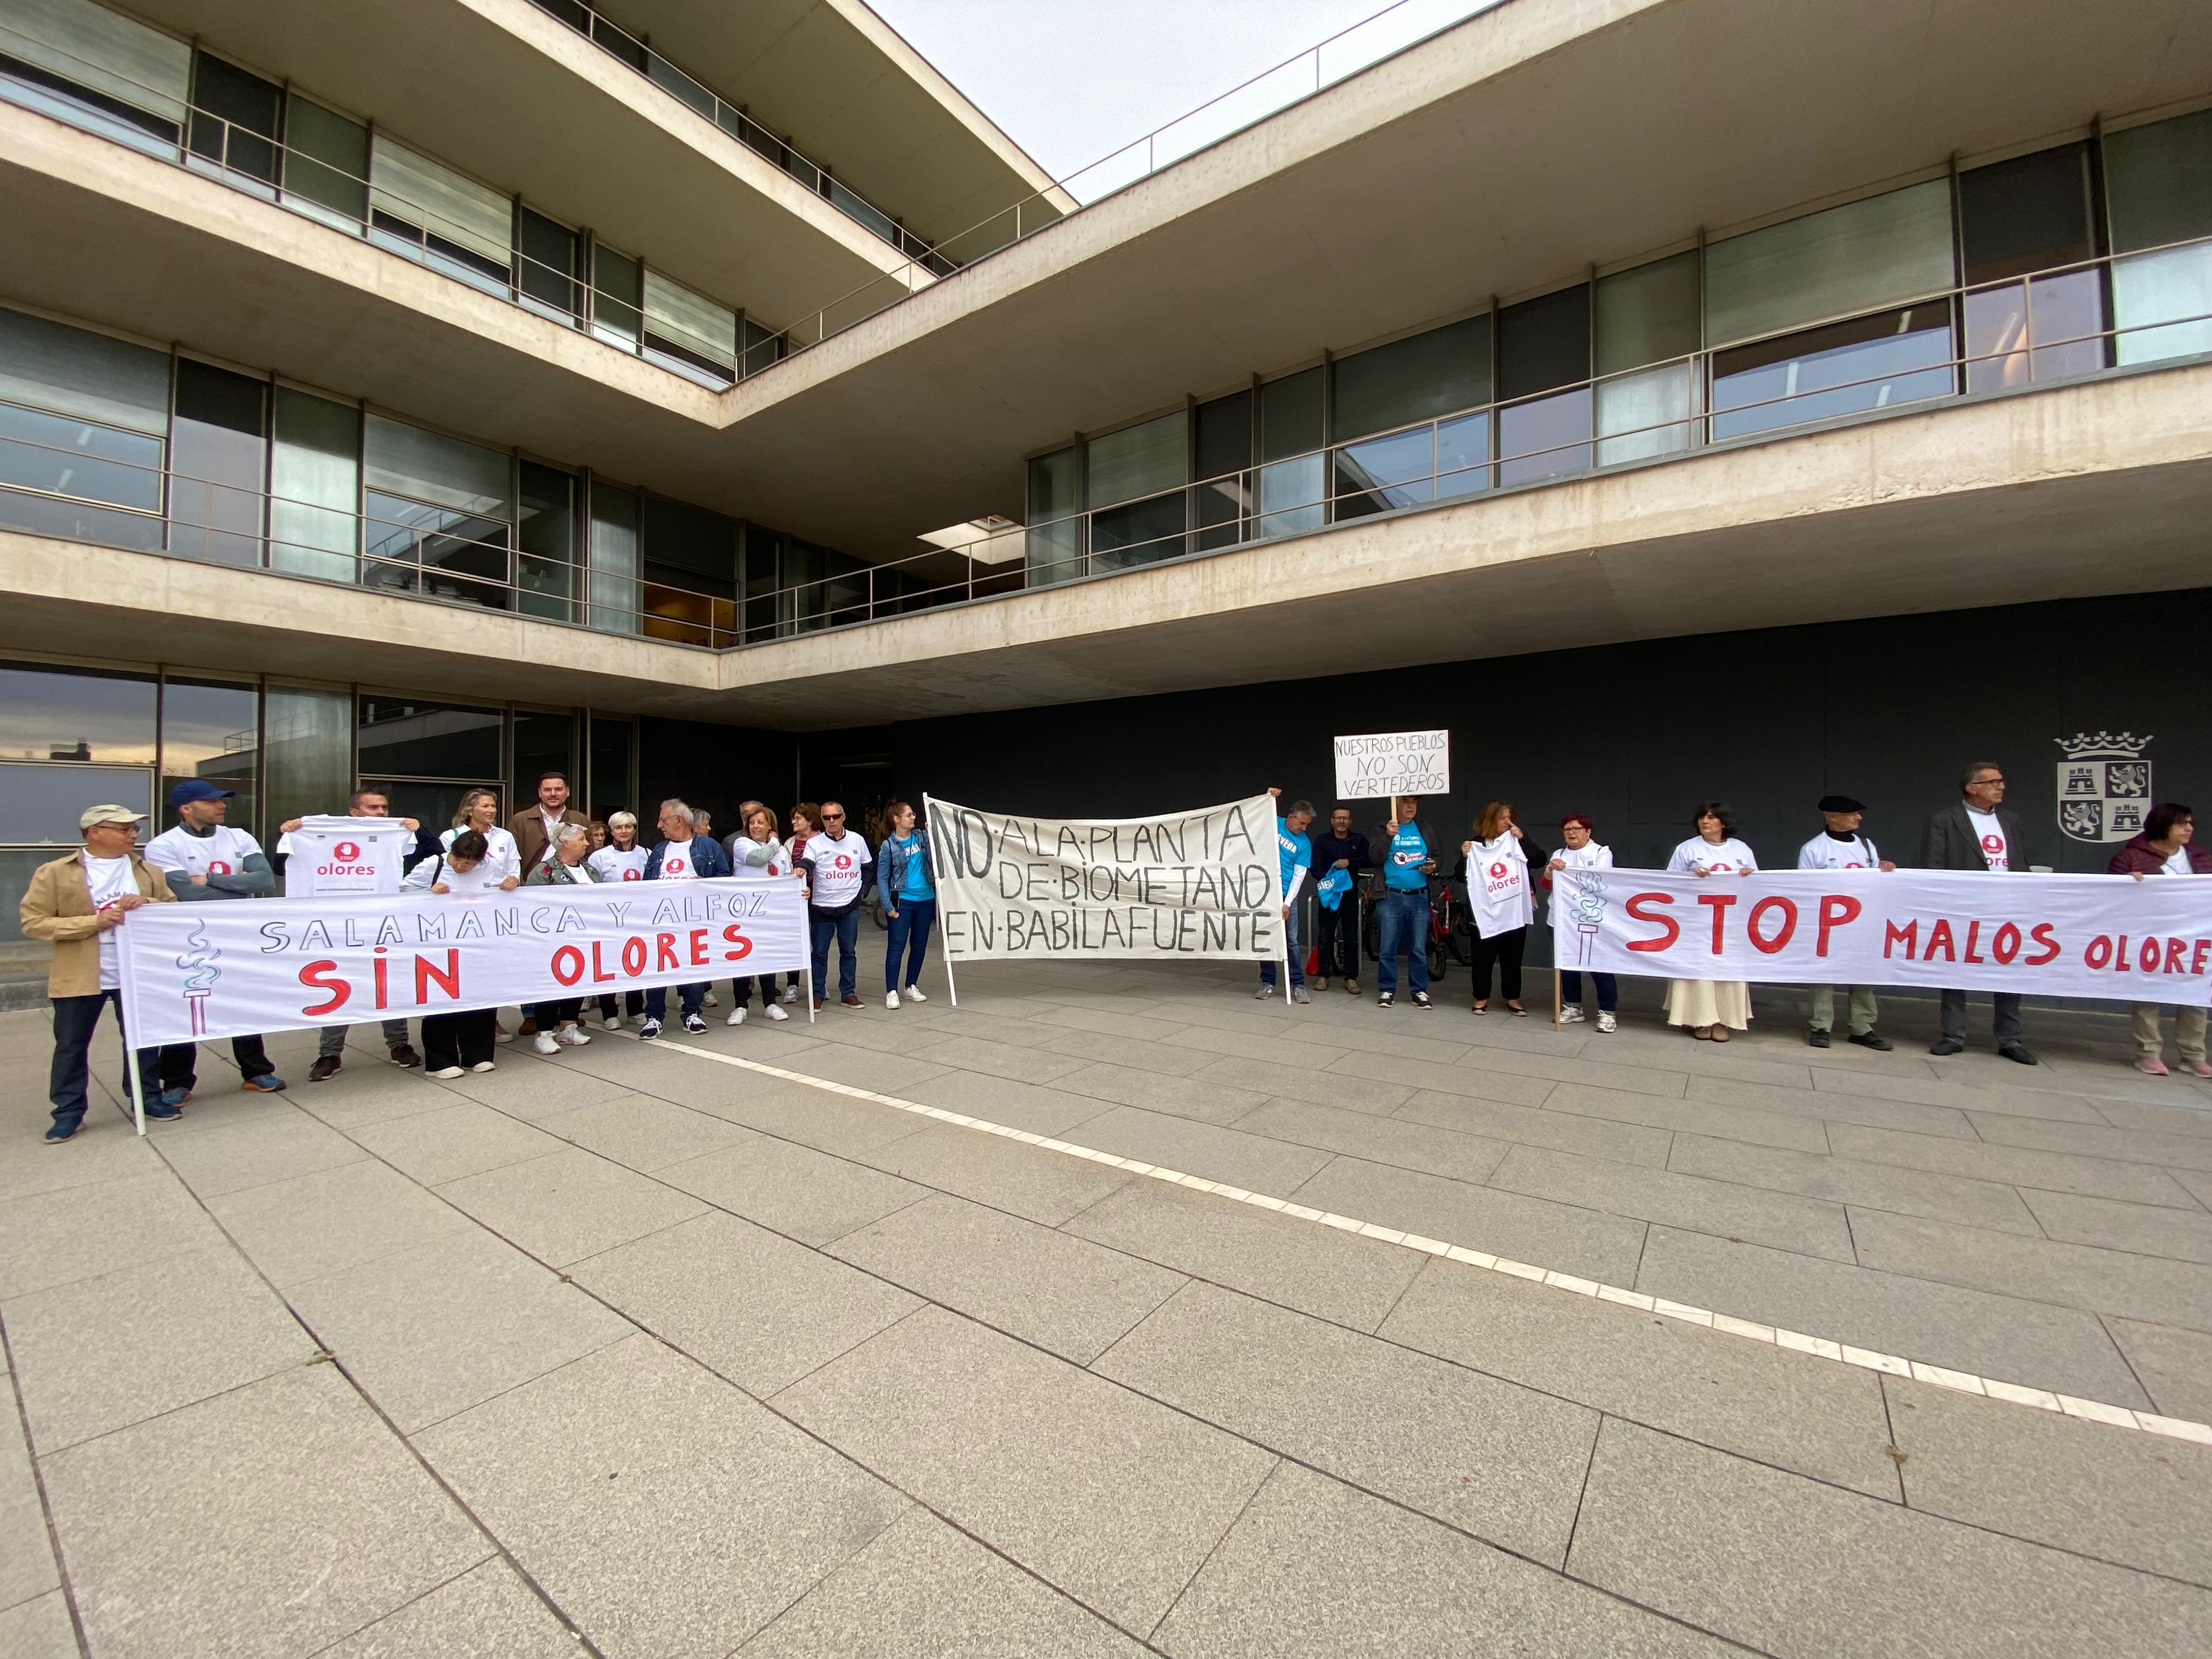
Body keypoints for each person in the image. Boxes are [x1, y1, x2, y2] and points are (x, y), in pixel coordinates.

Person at [21, 805, 187, 1141]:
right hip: (81, 974)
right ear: (94, 832)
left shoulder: (148, 870)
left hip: (137, 972)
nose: (133, 834)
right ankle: (68, 1112)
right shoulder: (55, 872)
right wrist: (93, 922)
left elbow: (172, 910)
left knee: (142, 1041)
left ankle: (147, 1098)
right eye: (124, 828)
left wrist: (146, 904)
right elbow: (33, 922)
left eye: (134, 829)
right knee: (71, 1045)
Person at [143, 780, 286, 1098]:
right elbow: (185, 893)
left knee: (243, 1002)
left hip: (236, 934)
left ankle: (257, 1071)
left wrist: (208, 878)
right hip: (188, 936)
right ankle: (178, 1082)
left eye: (221, 801)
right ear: (186, 808)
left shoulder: (238, 836)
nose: (221, 806)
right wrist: (238, 884)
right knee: (188, 1006)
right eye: (211, 802)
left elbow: (265, 880)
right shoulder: (164, 845)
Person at [279, 787, 429, 1080]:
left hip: (382, 927)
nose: (381, 814)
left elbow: (432, 855)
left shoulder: (392, 835)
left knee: (388, 988)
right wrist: (290, 833)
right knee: (337, 989)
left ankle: (399, 1045)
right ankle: (330, 1054)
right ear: (354, 812)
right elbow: (279, 866)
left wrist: (420, 831)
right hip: (336, 929)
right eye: (374, 808)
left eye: (384, 808)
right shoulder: (320, 834)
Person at [1922, 761, 2038, 1064]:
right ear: (1972, 788)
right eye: (1993, 782)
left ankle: (2010, 1039)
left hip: (2007, 907)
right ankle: (1953, 1035)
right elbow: (1934, 866)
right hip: (1963, 908)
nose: (2002, 786)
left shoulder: (2010, 820)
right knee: (1956, 970)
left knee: (2008, 971)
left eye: (2001, 781)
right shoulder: (1945, 820)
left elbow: (2020, 861)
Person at [2111, 802, 2212, 1076]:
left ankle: (2193, 1055)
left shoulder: (2199, 856)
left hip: (2194, 935)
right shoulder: (2130, 857)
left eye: (2191, 823)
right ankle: (2149, 1053)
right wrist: (2126, 884)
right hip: (2152, 935)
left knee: (2195, 994)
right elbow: (2110, 898)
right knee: (2150, 992)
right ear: (2162, 826)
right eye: (2182, 824)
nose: (2189, 829)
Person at [1797, 795, 1897, 1052]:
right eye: (1853, 814)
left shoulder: (1866, 845)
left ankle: (1862, 1027)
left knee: (1863, 973)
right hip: (1829, 923)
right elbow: (1804, 888)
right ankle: (1821, 1026)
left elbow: (1877, 875)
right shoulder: (1814, 849)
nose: (1859, 818)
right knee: (1824, 974)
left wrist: (1884, 867)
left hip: (1863, 921)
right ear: (1832, 817)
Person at [403, 831, 500, 1077]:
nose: (461, 867)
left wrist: (512, 884)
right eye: (457, 860)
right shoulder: (433, 864)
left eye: (469, 863)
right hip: (440, 944)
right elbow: (402, 891)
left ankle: (477, 1055)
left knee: (480, 998)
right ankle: (440, 1061)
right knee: (442, 999)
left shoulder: (492, 867)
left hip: (477, 942)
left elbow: (500, 894)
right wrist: (427, 892)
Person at [1666, 802, 1757, 1041]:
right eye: (1702, 817)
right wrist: (1691, 878)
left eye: (1712, 817)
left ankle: (1724, 1020)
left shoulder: (1740, 849)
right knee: (1700, 969)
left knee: (1727, 969)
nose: (1705, 821)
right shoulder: (1686, 849)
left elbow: (1757, 886)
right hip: (1697, 923)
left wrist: (1748, 875)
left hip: (1730, 923)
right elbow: (1669, 883)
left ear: (1723, 823)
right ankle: (1701, 1019)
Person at [640, 799, 730, 1036]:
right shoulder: (659, 850)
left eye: (663, 820)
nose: (659, 825)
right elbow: (646, 885)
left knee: (693, 968)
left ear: (679, 821)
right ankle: (653, 1017)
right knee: (658, 968)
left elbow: (725, 878)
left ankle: (692, 1014)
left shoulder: (709, 847)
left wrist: (705, 884)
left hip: (694, 923)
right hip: (662, 922)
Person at [1455, 802, 1546, 1017]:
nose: (1508, 822)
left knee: (1513, 956)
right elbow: (1461, 876)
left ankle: (1512, 997)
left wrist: (1524, 839)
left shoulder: (1516, 840)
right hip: (1486, 912)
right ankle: (1481, 997)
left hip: (1514, 909)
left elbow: (1539, 860)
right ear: (1490, 820)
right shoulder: (1477, 844)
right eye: (1503, 818)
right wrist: (1464, 857)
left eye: (1510, 817)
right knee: (1483, 957)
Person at [523, 823, 596, 1054]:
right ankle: (543, 1033)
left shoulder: (590, 870)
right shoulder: (545, 871)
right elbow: (534, 907)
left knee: (577, 982)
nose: (586, 843)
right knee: (552, 986)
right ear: (565, 843)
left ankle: (569, 1026)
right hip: (554, 942)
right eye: (582, 839)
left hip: (583, 939)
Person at [1544, 812, 1617, 1033]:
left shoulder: (1601, 852)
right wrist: (1550, 869)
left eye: (1576, 829)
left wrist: (1566, 870)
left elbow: (1600, 878)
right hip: (1562, 918)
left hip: (1591, 919)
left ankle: (1608, 1012)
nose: (1571, 833)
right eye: (1567, 830)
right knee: (1567, 965)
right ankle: (1573, 1006)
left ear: (1588, 832)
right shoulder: (1559, 853)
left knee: (1599, 966)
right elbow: (1548, 882)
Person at [725, 800, 795, 1025]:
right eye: (752, 822)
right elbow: (758, 859)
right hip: (744, 913)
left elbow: (786, 876)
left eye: (761, 823)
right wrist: (774, 842)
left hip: (770, 913)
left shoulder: (781, 850)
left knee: (767, 958)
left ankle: (769, 1003)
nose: (756, 826)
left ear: (769, 825)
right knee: (742, 958)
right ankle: (740, 1005)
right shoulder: (741, 843)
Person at [799, 800, 872, 1009]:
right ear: (822, 820)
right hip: (822, 906)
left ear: (843, 817)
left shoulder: (857, 840)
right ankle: (818, 994)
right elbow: (807, 862)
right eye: (826, 817)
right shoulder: (815, 843)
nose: (832, 821)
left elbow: (868, 868)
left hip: (850, 906)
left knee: (848, 951)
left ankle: (848, 992)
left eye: (835, 816)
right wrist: (801, 869)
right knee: (819, 953)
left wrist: (863, 892)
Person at [1371, 793, 1439, 1009]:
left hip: (1419, 896)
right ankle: (1387, 990)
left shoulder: (1425, 827)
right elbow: (1374, 858)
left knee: (1419, 947)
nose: (1410, 806)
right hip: (1391, 896)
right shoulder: (1383, 828)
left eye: (1414, 802)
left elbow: (1438, 855)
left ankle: (1419, 990)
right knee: (1387, 947)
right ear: (1396, 804)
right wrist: (1388, 837)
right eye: (1406, 802)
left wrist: (1433, 866)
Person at [587, 811, 650, 1028]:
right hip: (609, 920)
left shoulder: (645, 854)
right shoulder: (599, 857)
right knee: (609, 966)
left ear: (634, 829)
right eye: (618, 828)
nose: (624, 832)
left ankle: (635, 1010)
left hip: (638, 919)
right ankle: (609, 1013)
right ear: (611, 831)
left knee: (636, 963)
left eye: (628, 827)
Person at [877, 799, 937, 1009]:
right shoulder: (889, 845)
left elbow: (939, 851)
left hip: (926, 899)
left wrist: (934, 832)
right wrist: (887, 905)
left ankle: (911, 985)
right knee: (896, 947)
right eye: (909, 814)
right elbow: (882, 877)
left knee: (919, 945)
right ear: (897, 819)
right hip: (903, 901)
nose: (913, 817)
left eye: (913, 814)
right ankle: (891, 991)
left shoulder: (922, 837)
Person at [1257, 792, 1314, 1003]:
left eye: (1307, 824)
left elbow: (1300, 876)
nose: (1304, 828)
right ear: (1290, 817)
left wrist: (1287, 903)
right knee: (1266, 938)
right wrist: (1268, 795)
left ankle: (1298, 985)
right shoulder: (1274, 822)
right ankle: (1268, 982)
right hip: (1263, 892)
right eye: (1301, 823)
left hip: (1285, 894)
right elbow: (1258, 811)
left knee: (1291, 941)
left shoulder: (1304, 844)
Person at [1307, 805, 1370, 994]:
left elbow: (1370, 860)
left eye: (1345, 818)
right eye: (1338, 818)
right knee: (1326, 936)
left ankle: (1351, 978)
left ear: (1350, 822)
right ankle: (1323, 976)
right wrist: (1328, 881)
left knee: (1351, 937)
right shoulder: (1322, 840)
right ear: (1332, 821)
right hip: (1329, 894)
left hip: (1350, 894)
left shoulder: (1359, 840)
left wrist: (1350, 862)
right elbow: (1315, 867)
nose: (1341, 821)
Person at [509, 771, 590, 877]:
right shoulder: (521, 820)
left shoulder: (580, 819)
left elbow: (588, 854)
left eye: (558, 789)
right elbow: (511, 857)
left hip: (571, 883)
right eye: (547, 790)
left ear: (568, 792)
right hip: (532, 885)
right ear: (540, 792)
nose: (553, 794)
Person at [781, 804, 820, 1005]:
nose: (794, 822)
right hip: (797, 898)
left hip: (820, 897)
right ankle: (792, 985)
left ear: (810, 820)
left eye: (798, 818)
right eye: (793, 818)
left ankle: (817, 985)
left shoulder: (822, 841)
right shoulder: (789, 843)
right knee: (795, 942)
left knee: (818, 943)